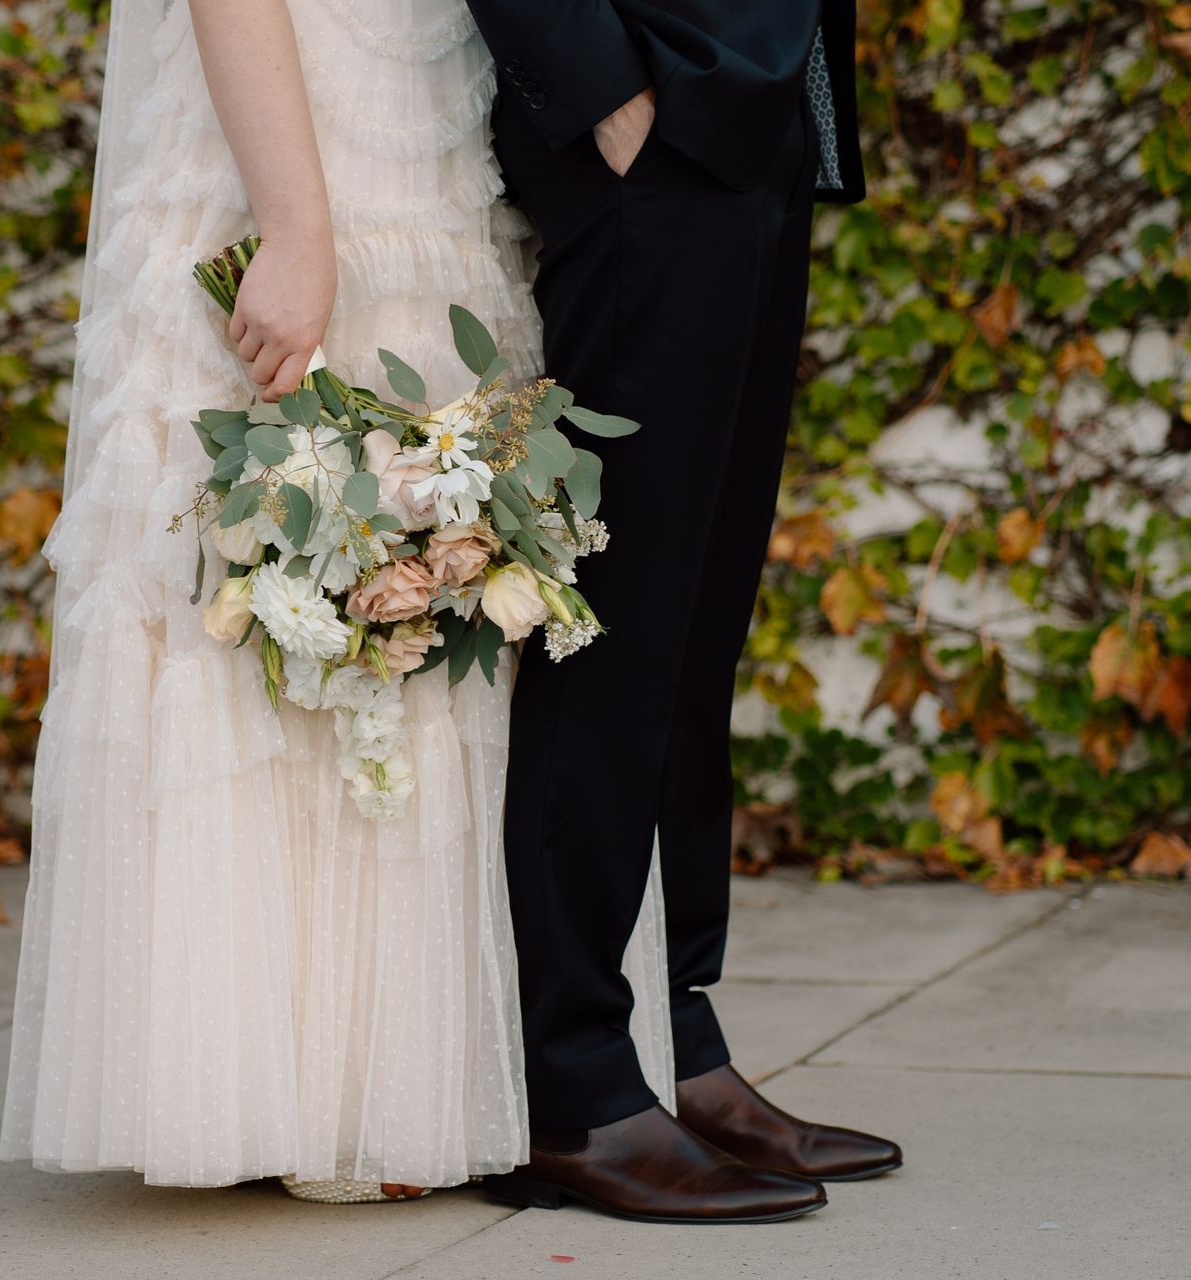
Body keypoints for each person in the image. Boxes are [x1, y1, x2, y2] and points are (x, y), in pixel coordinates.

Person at [0, 0, 679, 1204]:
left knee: (427, 549)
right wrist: (294, 223)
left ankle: (392, 1077)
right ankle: (271, 1076)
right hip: (295, 120)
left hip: (416, 111)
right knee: (280, 531)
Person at [459, 0, 903, 1224]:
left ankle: (677, 1033)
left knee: (700, 634)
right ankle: (579, 1081)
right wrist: (607, 95)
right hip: (648, 112)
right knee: (615, 625)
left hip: (752, 116)